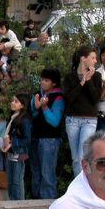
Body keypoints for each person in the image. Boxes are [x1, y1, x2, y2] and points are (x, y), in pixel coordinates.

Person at [64, 46, 102, 176]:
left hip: (89, 120)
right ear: (83, 59)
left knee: (83, 156)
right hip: (72, 119)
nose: (95, 61)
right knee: (75, 158)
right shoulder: (70, 77)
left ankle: (84, 189)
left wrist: (89, 80)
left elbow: (95, 98)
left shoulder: (97, 76)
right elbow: (68, 98)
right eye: (92, 58)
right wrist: (82, 81)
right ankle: (78, 189)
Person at [30, 67, 65, 199]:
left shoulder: (58, 98)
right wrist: (36, 106)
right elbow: (33, 115)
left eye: (46, 80)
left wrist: (44, 108)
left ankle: (48, 202)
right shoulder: (39, 95)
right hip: (36, 137)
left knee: (47, 174)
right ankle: (35, 201)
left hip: (49, 139)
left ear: (54, 83)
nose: (42, 83)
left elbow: (55, 121)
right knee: (36, 173)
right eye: (42, 80)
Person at [3, 94, 31, 201]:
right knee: (10, 181)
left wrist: (12, 141)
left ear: (23, 105)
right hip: (10, 152)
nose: (13, 103)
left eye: (16, 101)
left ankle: (20, 203)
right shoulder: (12, 118)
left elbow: (27, 139)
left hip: (21, 152)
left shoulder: (24, 120)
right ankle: (13, 201)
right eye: (12, 100)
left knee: (17, 180)